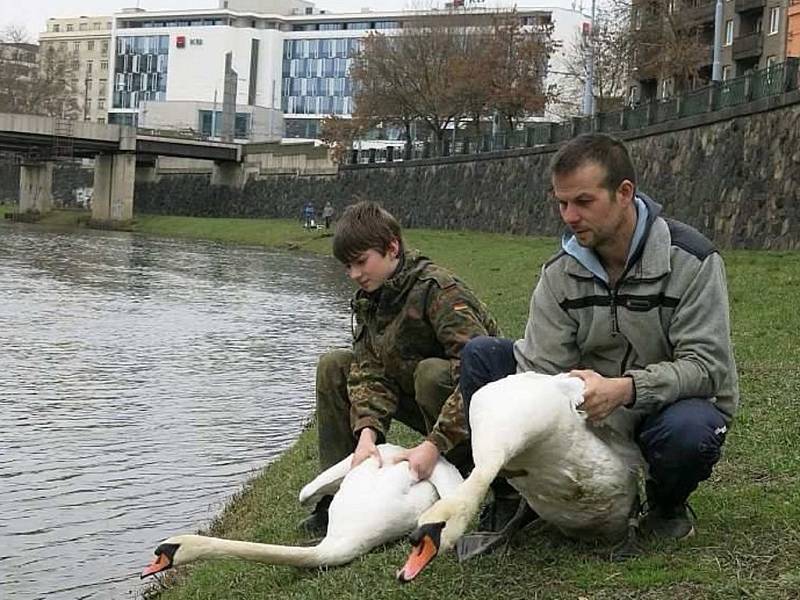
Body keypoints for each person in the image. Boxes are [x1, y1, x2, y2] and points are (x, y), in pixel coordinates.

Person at [455, 133, 739, 539]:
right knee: (483, 357)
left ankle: (666, 502)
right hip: (585, 406)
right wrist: (569, 395)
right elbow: (539, 370)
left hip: (660, 408)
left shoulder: (692, 261)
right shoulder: (559, 273)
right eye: (562, 203)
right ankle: (513, 496)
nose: (569, 216)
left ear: (624, 193)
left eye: (583, 202)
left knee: (691, 430)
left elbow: (708, 368)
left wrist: (625, 389)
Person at [300, 201, 500, 535]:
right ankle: (337, 499)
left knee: (431, 374)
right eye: (347, 267)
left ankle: (473, 472)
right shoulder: (370, 297)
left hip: (477, 409)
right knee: (334, 366)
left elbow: (481, 374)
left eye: (361, 262)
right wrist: (367, 433)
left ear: (392, 247)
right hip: (419, 399)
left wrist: (434, 444)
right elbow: (369, 369)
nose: (354, 275)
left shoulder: (438, 291)